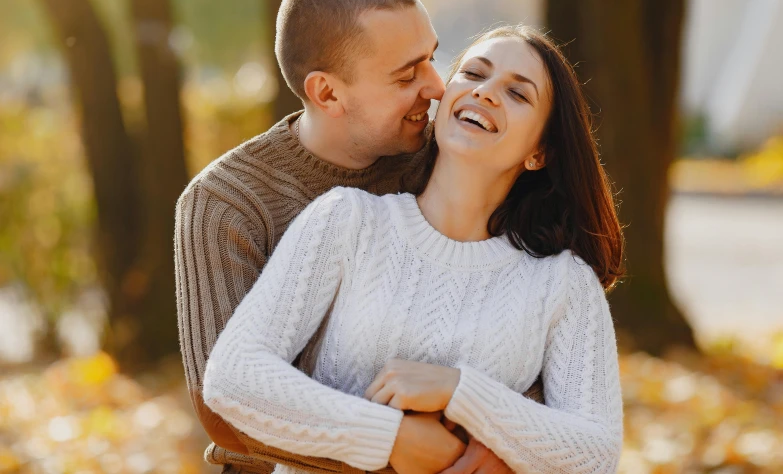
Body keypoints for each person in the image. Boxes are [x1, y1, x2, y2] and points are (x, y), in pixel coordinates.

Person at [202, 24, 626, 474]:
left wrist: (461, 392)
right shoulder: (349, 221)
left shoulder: (562, 282)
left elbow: (596, 453)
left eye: (518, 94)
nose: (484, 93)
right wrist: (389, 438)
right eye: (473, 74)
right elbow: (234, 377)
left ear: (540, 152)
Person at [174, 0, 537, 474]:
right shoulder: (227, 203)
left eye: (432, 59)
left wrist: (497, 446)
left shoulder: (442, 161)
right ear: (327, 93)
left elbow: (530, 303)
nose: (436, 86)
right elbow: (222, 410)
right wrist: (390, 444)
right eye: (407, 74)